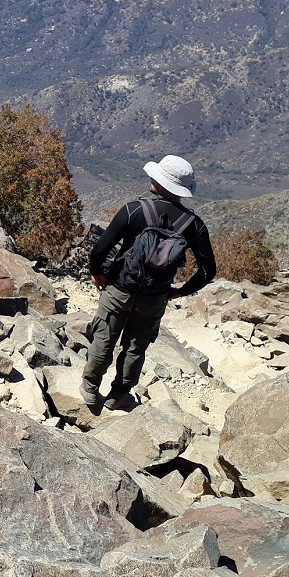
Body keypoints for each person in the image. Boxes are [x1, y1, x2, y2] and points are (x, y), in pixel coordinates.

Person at [82, 154, 216, 408]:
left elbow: (100, 248)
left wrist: (97, 272)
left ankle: (90, 389)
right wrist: (179, 292)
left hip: (119, 289)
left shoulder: (133, 210)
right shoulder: (193, 224)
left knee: (103, 339)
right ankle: (118, 395)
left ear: (159, 180)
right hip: (154, 298)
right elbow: (208, 271)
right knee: (135, 348)